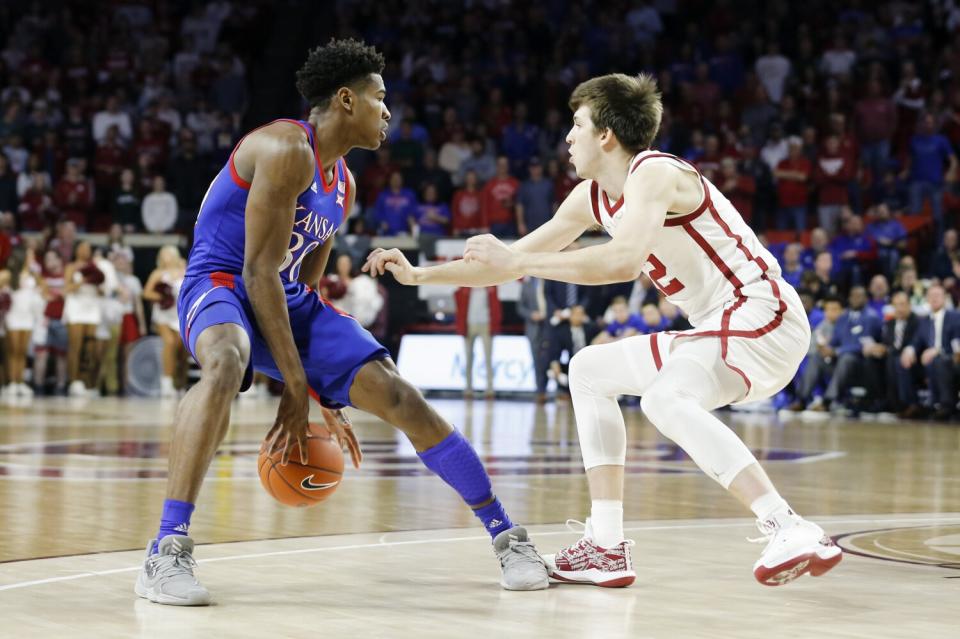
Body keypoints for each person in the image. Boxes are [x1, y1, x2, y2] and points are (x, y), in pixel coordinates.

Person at [366, 72, 841, 587]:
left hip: (763, 315)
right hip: (722, 330)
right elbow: (510, 264)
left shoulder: (654, 172)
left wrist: (522, 259)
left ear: (606, 136)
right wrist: (419, 275)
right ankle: (607, 547)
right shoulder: (590, 198)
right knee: (589, 369)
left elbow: (621, 260)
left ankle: (788, 526)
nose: (568, 137)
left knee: (664, 399)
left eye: (577, 125)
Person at [135, 40, 548, 607]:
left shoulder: (344, 183)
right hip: (221, 283)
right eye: (381, 99)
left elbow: (298, 285)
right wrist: (296, 384)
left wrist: (329, 385)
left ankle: (507, 536)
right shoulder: (285, 148)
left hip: (282, 295)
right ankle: (167, 549)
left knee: (400, 396)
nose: (388, 113)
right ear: (347, 99)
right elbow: (257, 272)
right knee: (226, 362)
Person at [143, 245, 186, 398]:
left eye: (168, 254)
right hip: (163, 315)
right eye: (163, 255)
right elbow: (147, 293)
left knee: (181, 349)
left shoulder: (185, 271)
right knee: (169, 342)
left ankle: (179, 382)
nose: (166, 257)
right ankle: (166, 383)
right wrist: (162, 297)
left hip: (179, 316)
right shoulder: (158, 273)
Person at [62, 241, 104, 397]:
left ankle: (86, 382)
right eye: (82, 247)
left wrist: (97, 282)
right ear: (76, 249)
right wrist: (83, 281)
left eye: (88, 248)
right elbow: (66, 288)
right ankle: (74, 381)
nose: (85, 250)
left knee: (90, 346)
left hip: (91, 307)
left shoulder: (95, 267)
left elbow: (101, 289)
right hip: (76, 307)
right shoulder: (71, 267)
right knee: (76, 345)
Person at [454, 285, 501, 399]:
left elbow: (496, 307)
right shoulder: (465, 287)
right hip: (469, 325)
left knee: (488, 358)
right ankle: (468, 388)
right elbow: (458, 301)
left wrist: (494, 325)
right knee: (469, 358)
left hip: (486, 324)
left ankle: (490, 389)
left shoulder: (491, 287)